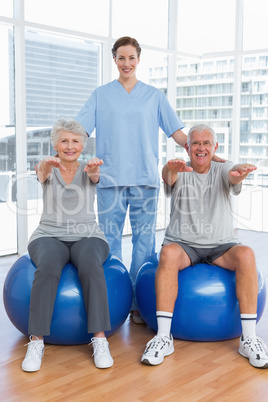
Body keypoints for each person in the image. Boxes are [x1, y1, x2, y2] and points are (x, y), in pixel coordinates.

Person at [76, 36, 224, 322]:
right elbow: (80, 131)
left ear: (139, 59)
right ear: (115, 60)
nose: (126, 63)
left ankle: (139, 304)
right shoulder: (101, 95)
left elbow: (177, 133)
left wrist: (201, 151)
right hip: (110, 179)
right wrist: (64, 153)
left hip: (145, 179)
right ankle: (115, 303)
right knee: (110, 243)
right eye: (121, 58)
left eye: (131, 58)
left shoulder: (154, 95)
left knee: (144, 245)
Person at [141, 123, 268, 369]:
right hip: (183, 244)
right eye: (196, 143)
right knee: (167, 253)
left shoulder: (224, 168)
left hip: (221, 244)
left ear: (215, 147)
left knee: (247, 254)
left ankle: (249, 339)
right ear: (187, 147)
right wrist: (169, 168)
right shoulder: (179, 168)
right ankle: (163, 337)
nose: (201, 147)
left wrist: (239, 172)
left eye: (206, 143)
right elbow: (168, 177)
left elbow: (232, 174)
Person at [22, 118, 113, 372]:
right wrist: (45, 165)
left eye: (75, 141)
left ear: (82, 145)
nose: (70, 146)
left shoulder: (89, 168)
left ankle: (100, 339)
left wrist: (95, 169)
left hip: (87, 235)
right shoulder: (47, 167)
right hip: (49, 235)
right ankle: (36, 341)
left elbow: (95, 176)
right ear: (56, 144)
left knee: (90, 266)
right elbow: (42, 172)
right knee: (48, 267)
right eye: (64, 141)